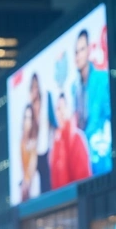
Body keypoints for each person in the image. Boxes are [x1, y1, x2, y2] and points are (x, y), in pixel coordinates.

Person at [71, 28, 112, 175]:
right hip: (83, 166)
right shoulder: (74, 90)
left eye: (81, 50)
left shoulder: (102, 80)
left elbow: (110, 117)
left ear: (88, 50)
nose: (78, 55)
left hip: (102, 160)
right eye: (76, 52)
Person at [48, 92, 92, 190]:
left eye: (64, 107)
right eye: (58, 109)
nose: (62, 112)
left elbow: (83, 181)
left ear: (70, 109)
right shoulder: (55, 144)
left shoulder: (78, 138)